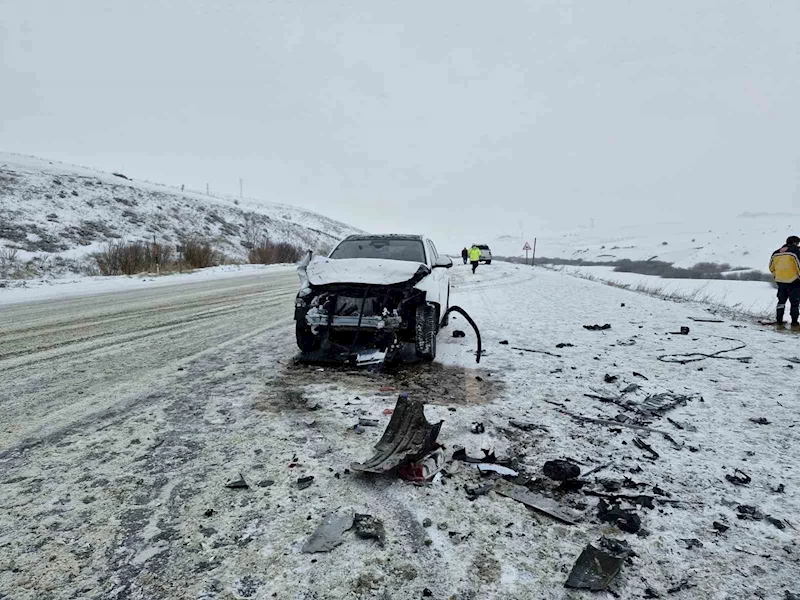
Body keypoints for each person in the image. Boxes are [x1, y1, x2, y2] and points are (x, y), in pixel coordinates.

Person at [769, 235, 800, 329]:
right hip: (794, 281)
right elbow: (799, 265)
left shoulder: (776, 252)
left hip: (780, 281)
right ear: (795, 242)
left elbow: (771, 267)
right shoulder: (796, 252)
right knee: (794, 303)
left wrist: (776, 276)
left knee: (781, 302)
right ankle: (794, 323)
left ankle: (779, 321)